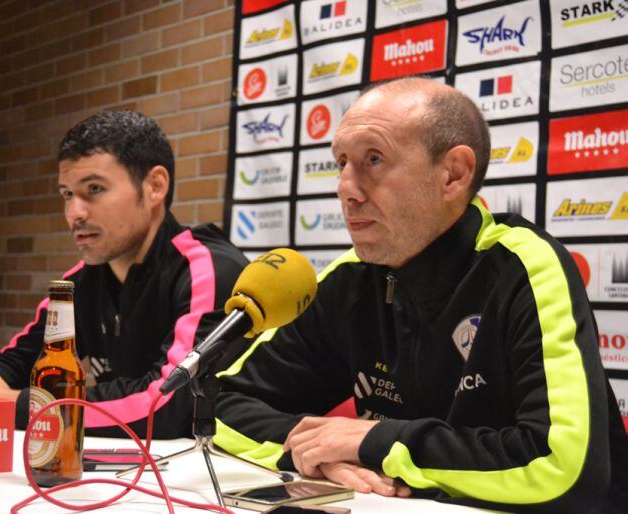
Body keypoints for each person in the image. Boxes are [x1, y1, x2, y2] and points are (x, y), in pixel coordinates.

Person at [213, 78, 628, 513]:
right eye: (341, 163)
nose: (346, 189)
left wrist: (379, 442)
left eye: (373, 159)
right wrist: (314, 454)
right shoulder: (349, 280)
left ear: (453, 174)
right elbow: (222, 404)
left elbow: (564, 467)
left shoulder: (526, 266)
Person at [0, 110, 248, 438]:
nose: (74, 214)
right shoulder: (81, 281)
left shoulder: (208, 270)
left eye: (94, 189)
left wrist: (19, 405)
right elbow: (13, 365)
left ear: (154, 187)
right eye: (67, 194)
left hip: (225, 474)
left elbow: (169, 404)